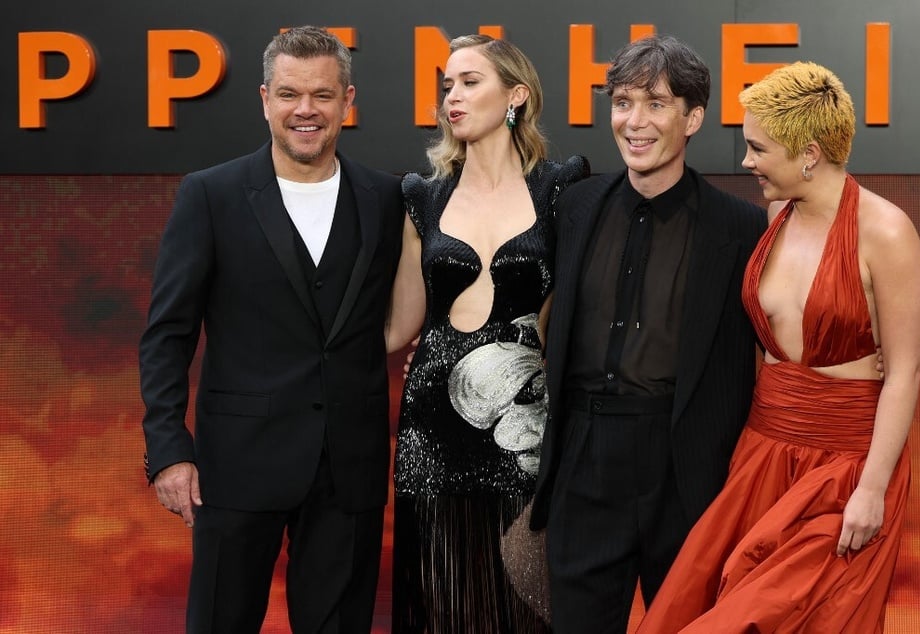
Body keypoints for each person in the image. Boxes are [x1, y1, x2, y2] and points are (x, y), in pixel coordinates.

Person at [638, 62, 920, 632]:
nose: (746, 162)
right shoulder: (775, 216)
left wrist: (871, 490)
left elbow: (906, 373)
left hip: (843, 473)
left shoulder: (887, 233)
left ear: (809, 154)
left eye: (757, 148)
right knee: (696, 610)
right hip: (762, 458)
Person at [138, 26, 403, 633]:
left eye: (322, 95)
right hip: (234, 467)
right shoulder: (210, 194)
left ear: (348, 100)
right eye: (289, 94)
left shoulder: (386, 197)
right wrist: (169, 451)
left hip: (349, 468)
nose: (305, 110)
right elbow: (167, 335)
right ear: (264, 99)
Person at [529, 34, 767, 633]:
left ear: (693, 118)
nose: (634, 122)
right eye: (622, 102)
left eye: (656, 104)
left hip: (684, 468)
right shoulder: (577, 206)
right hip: (583, 457)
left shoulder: (740, 227)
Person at [385, 34, 589, 633]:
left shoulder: (562, 189)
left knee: (522, 602)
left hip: (523, 427)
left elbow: (572, 311)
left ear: (516, 96)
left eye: (470, 82)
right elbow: (400, 324)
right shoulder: (422, 196)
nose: (453, 95)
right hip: (431, 432)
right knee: (443, 598)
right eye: (447, 84)